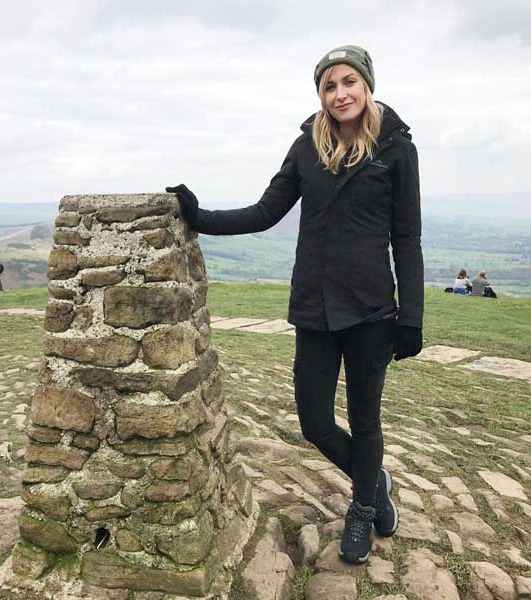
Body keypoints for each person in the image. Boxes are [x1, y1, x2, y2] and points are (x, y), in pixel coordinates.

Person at [167, 44, 423, 565]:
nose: (340, 93)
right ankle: (374, 480)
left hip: (372, 310)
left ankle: (362, 508)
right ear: (321, 96)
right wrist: (199, 217)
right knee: (313, 422)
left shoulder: (396, 148)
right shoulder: (306, 146)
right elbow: (265, 211)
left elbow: (407, 238)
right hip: (315, 307)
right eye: (329, 86)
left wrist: (411, 317)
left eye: (349, 82)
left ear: (367, 86)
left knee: (365, 418)